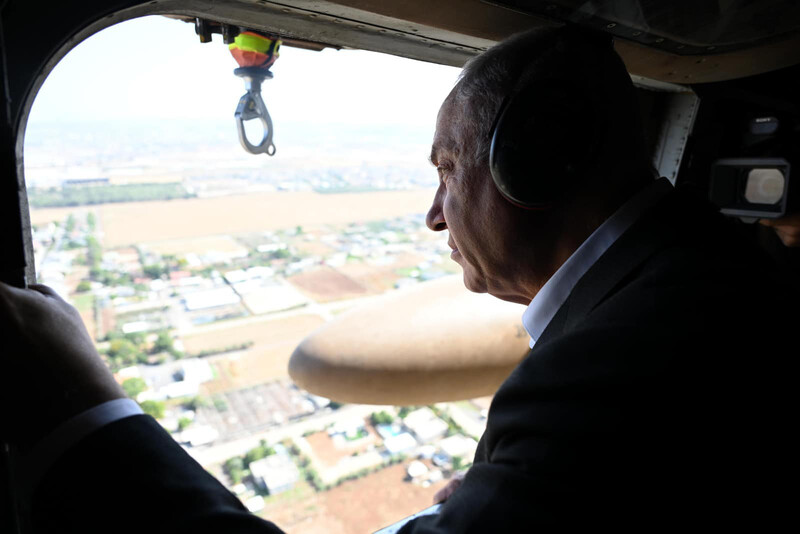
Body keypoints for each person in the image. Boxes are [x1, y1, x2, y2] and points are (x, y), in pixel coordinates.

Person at [0, 27, 795, 532]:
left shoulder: (614, 369)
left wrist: (82, 407)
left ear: (536, 161)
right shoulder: (716, 272)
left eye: (446, 170)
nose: (435, 216)